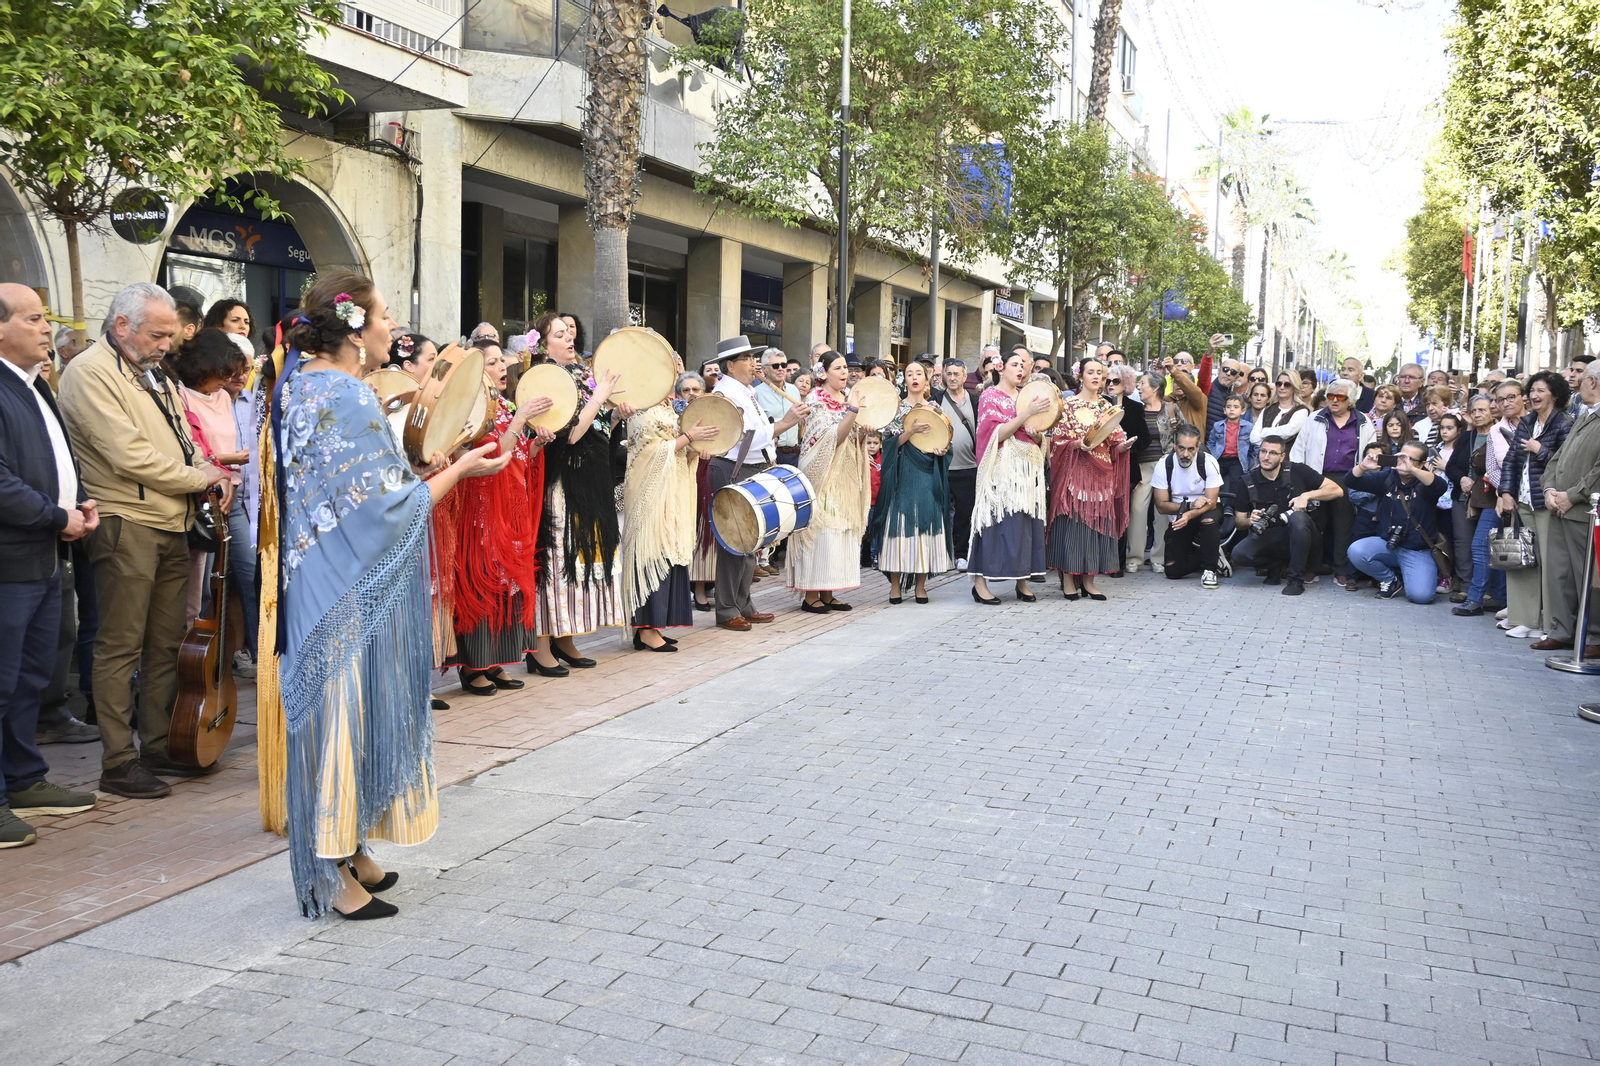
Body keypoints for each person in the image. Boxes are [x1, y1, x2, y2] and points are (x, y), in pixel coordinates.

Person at [268, 271, 509, 919]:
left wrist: (433, 466)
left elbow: (373, 485)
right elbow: (387, 509)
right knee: (343, 714)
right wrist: (460, 469)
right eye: (382, 320)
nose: (390, 332)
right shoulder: (344, 393)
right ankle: (330, 871)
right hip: (344, 579)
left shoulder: (304, 382)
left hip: (321, 570)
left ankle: (349, 849)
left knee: (349, 714)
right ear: (353, 329)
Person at [57, 284, 232, 799]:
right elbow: (128, 456)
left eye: (169, 336)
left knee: (164, 644)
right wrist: (201, 478)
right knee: (119, 645)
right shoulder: (89, 373)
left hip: (169, 520)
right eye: (157, 335)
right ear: (122, 327)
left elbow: (183, 441)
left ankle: (156, 745)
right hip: (125, 521)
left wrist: (208, 469)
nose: (165, 345)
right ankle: (118, 760)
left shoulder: (151, 373)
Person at [0, 284, 99, 847]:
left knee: (30, 678)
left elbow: (58, 458)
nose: (46, 328)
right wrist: (54, 515)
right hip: (11, 559)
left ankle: (23, 779)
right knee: (3, 680)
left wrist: (80, 501)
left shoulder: (35, 385)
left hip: (46, 552)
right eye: (33, 318)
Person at [527, 311, 630, 671]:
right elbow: (570, 434)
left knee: (573, 560)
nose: (569, 337)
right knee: (555, 563)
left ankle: (565, 638)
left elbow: (596, 429)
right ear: (543, 345)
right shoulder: (543, 379)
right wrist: (600, 396)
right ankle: (540, 648)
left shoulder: (580, 374)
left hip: (589, 479)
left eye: (570, 331)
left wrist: (616, 416)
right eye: (559, 334)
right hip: (561, 483)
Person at [451, 343, 554, 693]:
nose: (500, 367)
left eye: (500, 361)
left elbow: (518, 456)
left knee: (504, 589)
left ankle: (494, 659)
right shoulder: (472, 406)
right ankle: (473, 664)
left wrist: (536, 444)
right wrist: (521, 421)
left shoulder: (506, 406)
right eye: (491, 362)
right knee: (481, 585)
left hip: (509, 511)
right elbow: (494, 455)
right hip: (481, 511)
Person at [708, 336, 808, 629]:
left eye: (754, 358)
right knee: (735, 540)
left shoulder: (744, 390)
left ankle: (743, 602)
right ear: (730, 365)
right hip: (734, 468)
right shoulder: (727, 392)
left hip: (751, 467)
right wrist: (786, 423)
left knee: (753, 539)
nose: (754, 364)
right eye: (747, 359)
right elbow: (745, 435)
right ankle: (727, 609)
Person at [620, 367, 717, 652]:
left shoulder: (667, 406)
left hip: (672, 489)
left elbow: (676, 448)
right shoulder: (639, 407)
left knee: (669, 550)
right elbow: (650, 452)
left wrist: (695, 448)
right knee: (653, 550)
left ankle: (655, 625)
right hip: (651, 494)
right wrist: (688, 438)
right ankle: (646, 628)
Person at [171, 329, 254, 658]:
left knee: (246, 575)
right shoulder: (179, 396)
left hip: (229, 492)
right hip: (201, 496)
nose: (227, 381)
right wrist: (225, 462)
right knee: (200, 588)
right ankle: (196, 661)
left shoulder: (223, 396)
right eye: (223, 374)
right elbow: (192, 451)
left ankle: (249, 658)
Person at [789, 350, 871, 612]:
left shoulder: (846, 399)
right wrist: (853, 412)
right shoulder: (815, 400)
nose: (845, 372)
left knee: (839, 530)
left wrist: (862, 431)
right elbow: (828, 439)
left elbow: (850, 436)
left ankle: (829, 590)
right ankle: (811, 593)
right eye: (838, 368)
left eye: (846, 367)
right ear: (823, 373)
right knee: (820, 530)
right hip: (821, 475)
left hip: (843, 475)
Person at [967, 351, 1051, 603]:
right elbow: (995, 434)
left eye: (1024, 366)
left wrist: (1037, 435)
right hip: (1001, 468)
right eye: (1015, 364)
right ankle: (980, 583)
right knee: (993, 521)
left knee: (1023, 523)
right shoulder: (990, 395)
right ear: (1001, 369)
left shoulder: (1026, 396)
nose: (1020, 369)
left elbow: (1039, 438)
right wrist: (1026, 415)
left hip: (1026, 469)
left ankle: (1022, 580)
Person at [1497, 370, 1574, 641]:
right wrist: (1506, 491)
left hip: (1547, 503)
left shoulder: (1565, 423)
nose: (1534, 395)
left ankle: (1550, 624)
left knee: (1549, 564)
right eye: (1532, 390)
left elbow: (1567, 465)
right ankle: (1523, 619)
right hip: (1523, 500)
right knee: (1522, 560)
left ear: (1555, 393)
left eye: (1540, 390)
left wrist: (1540, 449)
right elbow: (1511, 460)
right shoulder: (1527, 420)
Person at [1047, 357, 1131, 600]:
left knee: (1098, 527)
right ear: (1080, 376)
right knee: (1073, 525)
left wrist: (1123, 447)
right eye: (1091, 372)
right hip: (1075, 474)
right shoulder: (1068, 405)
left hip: (1102, 475)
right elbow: (1057, 443)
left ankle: (1090, 580)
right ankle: (1070, 581)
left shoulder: (1107, 407)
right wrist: (1076, 444)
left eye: (1100, 374)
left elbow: (1114, 442)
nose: (1096, 377)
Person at [871, 362, 953, 604]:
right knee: (897, 525)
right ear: (903, 380)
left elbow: (947, 437)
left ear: (927, 380)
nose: (915, 377)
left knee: (926, 523)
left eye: (919, 374)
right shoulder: (895, 408)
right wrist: (910, 431)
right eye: (909, 374)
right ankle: (895, 585)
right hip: (901, 473)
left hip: (927, 471)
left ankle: (921, 585)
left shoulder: (935, 407)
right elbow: (885, 442)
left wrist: (943, 449)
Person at [1534, 363, 1600, 652]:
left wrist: (1573, 495)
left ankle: (1595, 635)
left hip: (1584, 510)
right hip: (1560, 507)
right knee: (1559, 573)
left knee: (1589, 576)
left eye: (1582, 379)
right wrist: (1549, 489)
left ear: (1593, 381)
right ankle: (1562, 630)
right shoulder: (1585, 416)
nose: (1577, 384)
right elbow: (1557, 459)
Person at [1226, 435, 1344, 595]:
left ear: (1282, 456)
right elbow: (1239, 521)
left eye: (1273, 453)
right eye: (1263, 452)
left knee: (1298, 518)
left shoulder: (1298, 470)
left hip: (1304, 536)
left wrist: (1307, 496)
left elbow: (1337, 490)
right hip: (1270, 535)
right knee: (1239, 554)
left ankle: (1296, 579)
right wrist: (1250, 521)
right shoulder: (1247, 481)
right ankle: (1276, 564)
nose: (1266, 457)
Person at [1291, 379, 1375, 588]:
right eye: (1330, 396)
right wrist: (1300, 479)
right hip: (1317, 475)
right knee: (1315, 524)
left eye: (1341, 397)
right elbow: (1299, 448)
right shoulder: (1315, 418)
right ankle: (1312, 567)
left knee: (1343, 525)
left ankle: (1341, 569)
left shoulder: (1363, 421)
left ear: (1351, 401)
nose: (1334, 401)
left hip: (1348, 478)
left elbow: (1370, 450)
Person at [1346, 440, 1448, 603]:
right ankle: (1390, 580)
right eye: (1401, 456)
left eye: (1410, 459)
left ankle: (1417, 573)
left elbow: (1440, 486)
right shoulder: (1387, 478)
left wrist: (1413, 470)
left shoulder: (1425, 482)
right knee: (1356, 550)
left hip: (1417, 550)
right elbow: (1351, 481)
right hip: (1388, 545)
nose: (1404, 461)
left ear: (1422, 464)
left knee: (1421, 597)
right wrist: (1363, 466)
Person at [1152, 426, 1224, 588]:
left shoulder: (1208, 462)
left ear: (1197, 448)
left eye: (1191, 449)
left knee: (1208, 521)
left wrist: (1189, 514)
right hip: (1180, 513)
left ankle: (1209, 570)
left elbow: (1212, 501)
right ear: (1175, 446)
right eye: (1181, 448)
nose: (1185, 454)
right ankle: (1212, 555)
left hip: (1207, 510)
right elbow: (1161, 506)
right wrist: (1189, 506)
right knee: (1172, 571)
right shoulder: (1164, 465)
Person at [1454, 394, 1503, 616]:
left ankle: (1477, 598)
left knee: (1485, 546)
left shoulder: (1501, 432)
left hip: (1499, 497)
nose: (1478, 414)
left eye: (1483, 410)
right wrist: (1461, 478)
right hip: (1474, 499)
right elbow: (1453, 466)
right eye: (1474, 411)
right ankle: (1497, 596)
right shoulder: (1467, 437)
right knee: (1487, 545)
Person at [1128, 371, 1179, 573]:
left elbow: (1184, 435)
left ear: (1155, 388)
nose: (1139, 387)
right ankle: (1134, 558)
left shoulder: (1171, 409)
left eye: (1142, 383)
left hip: (1164, 466)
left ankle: (1158, 558)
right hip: (1141, 467)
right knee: (1138, 510)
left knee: (1162, 513)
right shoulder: (1136, 410)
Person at [932, 359, 978, 568]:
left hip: (968, 467)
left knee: (964, 514)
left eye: (956, 374)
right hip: (941, 465)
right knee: (938, 511)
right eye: (948, 374)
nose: (952, 378)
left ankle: (961, 554)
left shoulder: (975, 401)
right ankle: (940, 555)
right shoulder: (935, 399)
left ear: (964, 376)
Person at [1432, 412, 1474, 597]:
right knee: (1440, 540)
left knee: (1457, 539)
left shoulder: (1461, 447)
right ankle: (1444, 574)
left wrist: (1445, 466)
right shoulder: (1438, 447)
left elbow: (1459, 470)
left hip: (1453, 500)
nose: (1445, 431)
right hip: (1437, 501)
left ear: (1459, 429)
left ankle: (1456, 577)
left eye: (1449, 428)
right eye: (1442, 427)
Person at [1206, 393, 1255, 481]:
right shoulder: (1217, 425)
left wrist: (1254, 458)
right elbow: (1211, 443)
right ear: (1224, 410)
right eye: (1228, 407)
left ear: (1243, 411)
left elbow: (1255, 444)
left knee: (1236, 481)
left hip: (1237, 460)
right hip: (1220, 458)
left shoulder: (1249, 427)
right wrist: (1212, 456)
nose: (1231, 409)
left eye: (1236, 407)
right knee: (1213, 479)